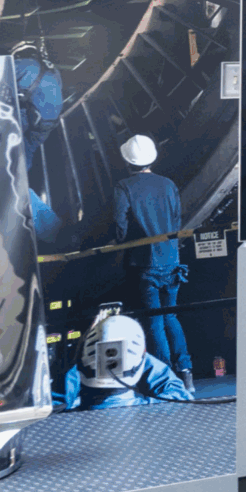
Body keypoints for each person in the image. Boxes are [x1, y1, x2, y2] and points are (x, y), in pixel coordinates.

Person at [111, 134, 192, 383]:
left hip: (145, 263)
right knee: (171, 317)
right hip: (172, 259)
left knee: (155, 321)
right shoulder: (168, 184)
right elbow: (177, 219)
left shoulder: (124, 187)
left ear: (127, 161)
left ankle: (167, 378)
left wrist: (121, 241)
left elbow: (119, 225)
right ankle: (186, 373)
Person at [59, 311, 192, 410]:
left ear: (82, 366)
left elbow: (56, 401)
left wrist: (83, 348)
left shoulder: (58, 422)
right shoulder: (161, 410)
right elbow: (179, 393)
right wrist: (136, 352)